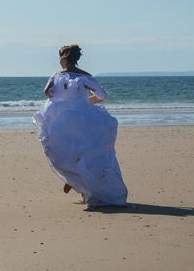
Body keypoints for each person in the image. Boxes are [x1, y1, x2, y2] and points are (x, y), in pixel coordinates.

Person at [33, 45, 128, 207]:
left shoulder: (56, 76)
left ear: (64, 58)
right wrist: (85, 102)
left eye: (60, 57)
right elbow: (101, 96)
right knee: (87, 152)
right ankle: (79, 183)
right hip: (85, 118)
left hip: (63, 119)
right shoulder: (86, 76)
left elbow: (48, 93)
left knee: (63, 150)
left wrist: (62, 101)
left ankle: (75, 181)